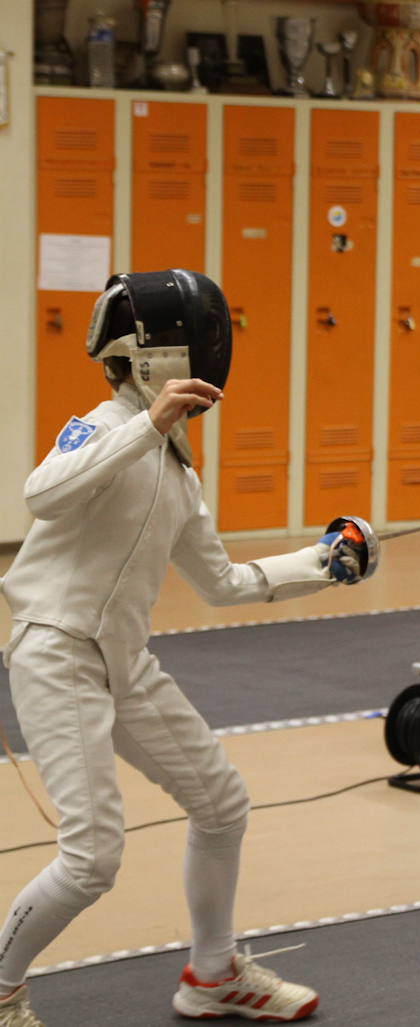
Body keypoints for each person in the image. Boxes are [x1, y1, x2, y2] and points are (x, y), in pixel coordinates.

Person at [0, 271, 372, 1026]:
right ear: (151, 358)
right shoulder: (105, 427)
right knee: (92, 856)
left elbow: (224, 582)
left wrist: (322, 561)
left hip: (123, 660)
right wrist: (146, 425)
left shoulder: (176, 469)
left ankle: (212, 975)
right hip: (57, 654)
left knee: (221, 803)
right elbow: (41, 494)